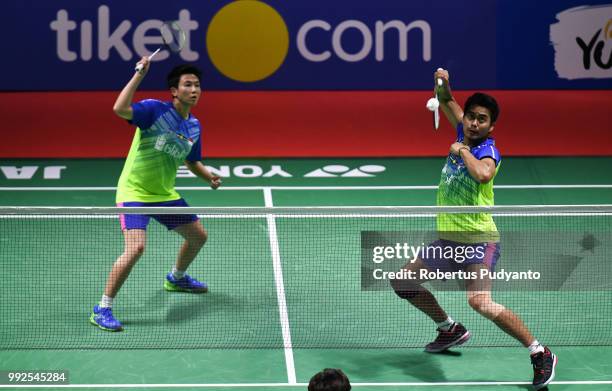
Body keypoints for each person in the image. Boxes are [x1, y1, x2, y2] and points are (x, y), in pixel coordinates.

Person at [390, 69, 557, 390]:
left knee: (480, 301)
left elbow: (482, 174)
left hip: (479, 242)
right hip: (446, 240)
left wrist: (462, 149)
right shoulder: (462, 127)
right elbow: (447, 100)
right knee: (402, 280)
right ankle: (448, 328)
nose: (473, 123)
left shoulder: (487, 151)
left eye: (482, 119)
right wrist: (442, 83)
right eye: (470, 117)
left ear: (491, 126)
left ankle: (539, 352)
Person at [90, 57, 221, 332]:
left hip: (164, 194)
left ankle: (176, 277)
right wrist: (139, 74)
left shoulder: (194, 126)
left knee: (198, 236)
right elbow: (119, 108)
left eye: (197, 85)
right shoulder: (154, 111)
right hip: (134, 191)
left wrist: (208, 175)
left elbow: (192, 161)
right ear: (174, 91)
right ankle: (102, 307)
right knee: (136, 248)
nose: (194, 89)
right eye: (188, 84)